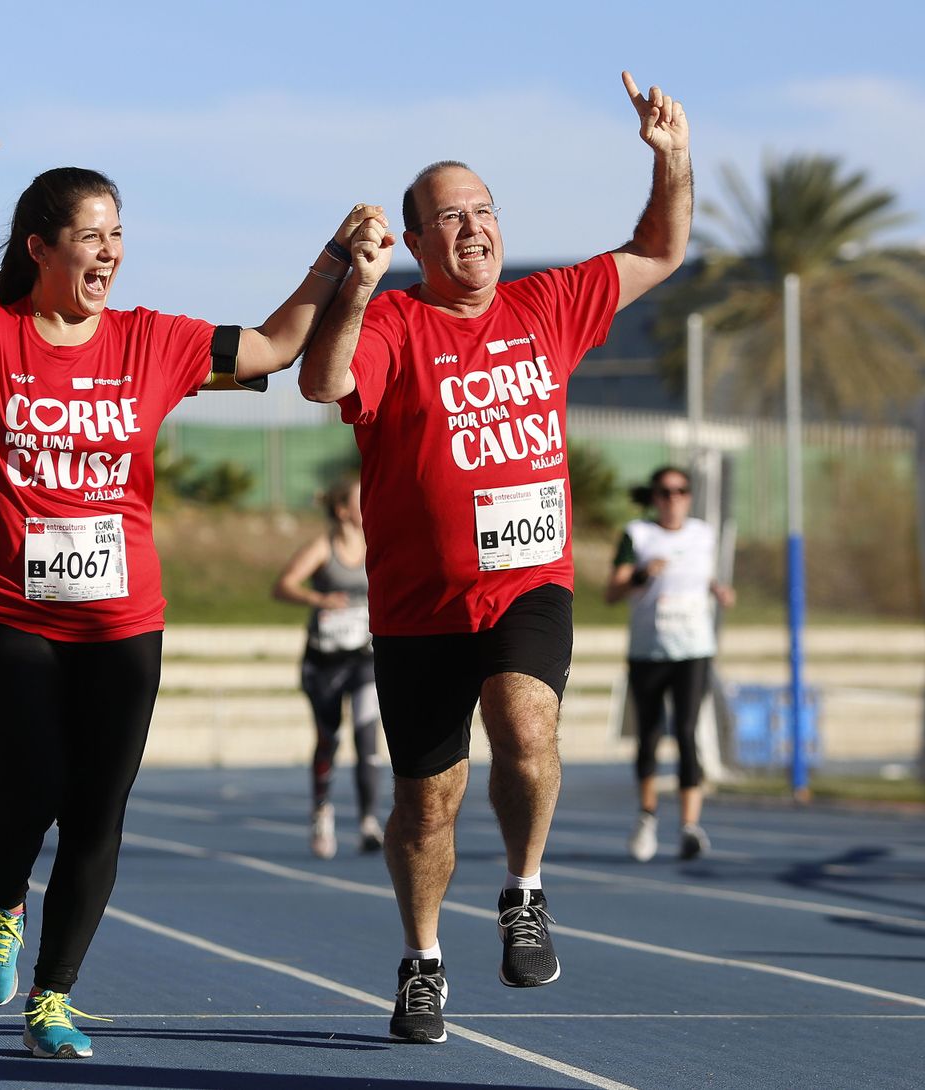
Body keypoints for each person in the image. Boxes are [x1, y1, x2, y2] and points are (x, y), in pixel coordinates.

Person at [0, 98, 382, 1060]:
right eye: (90, 237)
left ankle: (53, 998)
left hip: (119, 619)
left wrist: (331, 258)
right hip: (1, 608)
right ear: (39, 248)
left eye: (119, 237)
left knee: (99, 807)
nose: (109, 253)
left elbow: (274, 347)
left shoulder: (153, 341)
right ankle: (2, 902)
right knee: (27, 784)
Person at [298, 71, 691, 1044]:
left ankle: (524, 889)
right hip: (418, 606)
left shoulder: (549, 304)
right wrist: (354, 283)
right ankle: (422, 958)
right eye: (449, 218)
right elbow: (322, 379)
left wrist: (672, 160)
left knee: (524, 722)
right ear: (418, 241)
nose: (472, 229)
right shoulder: (392, 321)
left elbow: (660, 247)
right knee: (427, 803)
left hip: (527, 580)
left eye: (483, 212)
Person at [604, 466, 734, 862]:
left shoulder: (703, 534)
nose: (673, 499)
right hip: (649, 650)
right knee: (650, 734)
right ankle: (647, 817)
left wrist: (717, 589)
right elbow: (613, 591)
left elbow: (701, 574)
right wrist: (643, 574)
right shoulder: (638, 535)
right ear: (654, 497)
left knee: (689, 731)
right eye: (665, 492)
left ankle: (690, 826)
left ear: (689, 497)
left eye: (681, 491)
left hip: (693, 648)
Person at [271, 474, 383, 859]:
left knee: (368, 739)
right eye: (359, 499)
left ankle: (369, 821)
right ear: (341, 510)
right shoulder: (324, 547)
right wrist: (320, 599)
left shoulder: (376, 545)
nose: (368, 504)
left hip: (364, 658)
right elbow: (283, 585)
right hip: (324, 662)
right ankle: (322, 809)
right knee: (328, 739)